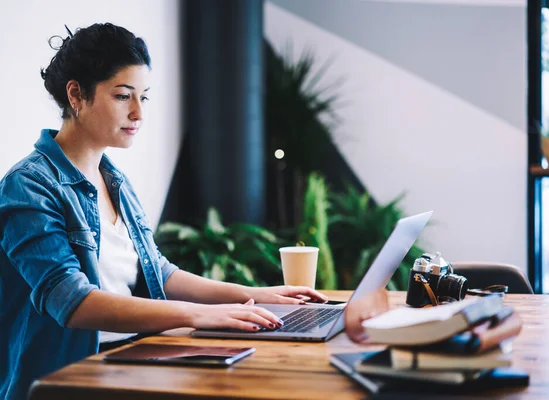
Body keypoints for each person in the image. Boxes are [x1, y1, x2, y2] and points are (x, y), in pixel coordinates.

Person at [0, 23, 328, 400]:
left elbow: (158, 270)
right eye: (123, 96)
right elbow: (72, 302)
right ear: (76, 94)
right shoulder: (27, 187)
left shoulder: (115, 181)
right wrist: (196, 314)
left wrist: (252, 294)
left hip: (129, 360)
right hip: (64, 379)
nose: (138, 113)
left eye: (145, 97)